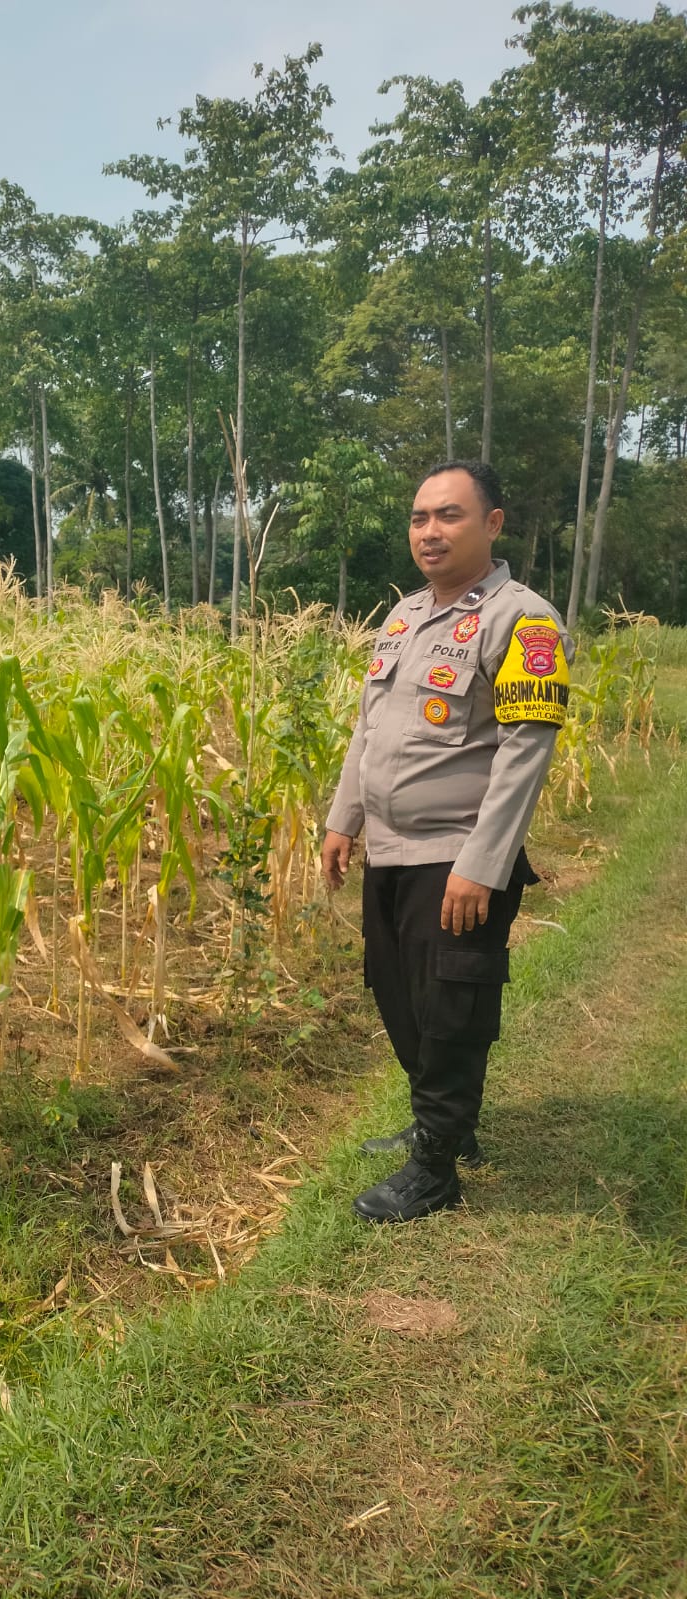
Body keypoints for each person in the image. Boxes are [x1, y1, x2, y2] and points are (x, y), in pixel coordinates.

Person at [321, 460, 572, 1223]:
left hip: (457, 856)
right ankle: (444, 1123)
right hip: (391, 851)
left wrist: (482, 864)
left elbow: (525, 754)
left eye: (449, 515)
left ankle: (435, 1168)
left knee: (451, 1006)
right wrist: (342, 818)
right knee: (399, 994)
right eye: (419, 517)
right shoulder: (402, 617)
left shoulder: (524, 622)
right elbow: (370, 729)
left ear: (492, 524)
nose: (430, 531)